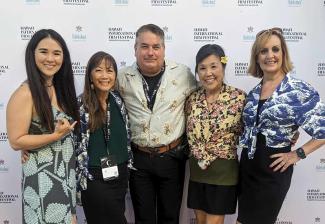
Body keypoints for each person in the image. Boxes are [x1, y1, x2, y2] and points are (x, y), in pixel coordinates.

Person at [237, 27, 325, 224]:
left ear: (283, 53)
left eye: (275, 49)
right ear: (257, 57)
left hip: (273, 171)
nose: (270, 55)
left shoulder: (298, 90)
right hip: (248, 168)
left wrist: (298, 154)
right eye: (264, 51)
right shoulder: (253, 93)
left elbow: (323, 130)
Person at [116, 24, 196, 224]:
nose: (150, 52)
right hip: (138, 160)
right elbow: (99, 104)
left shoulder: (183, 74)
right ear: (135, 49)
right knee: (144, 218)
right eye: (144, 46)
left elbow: (204, 101)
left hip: (172, 158)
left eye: (156, 46)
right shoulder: (121, 77)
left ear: (164, 49)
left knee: (170, 216)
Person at [6, 29, 79, 224]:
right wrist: (54, 137)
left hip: (65, 177)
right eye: (43, 51)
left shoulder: (60, 88)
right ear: (32, 54)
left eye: (56, 53)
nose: (50, 59)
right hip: (42, 180)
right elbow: (16, 140)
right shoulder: (25, 93)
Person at [185, 44, 246, 224]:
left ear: (223, 66)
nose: (208, 73)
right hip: (197, 170)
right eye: (202, 68)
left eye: (213, 66)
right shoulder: (192, 98)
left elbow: (253, 129)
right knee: (201, 221)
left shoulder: (239, 97)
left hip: (223, 171)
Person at [75, 51, 133, 224]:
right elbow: (62, 135)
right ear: (90, 76)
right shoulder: (80, 105)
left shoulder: (118, 100)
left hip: (119, 172)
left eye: (110, 70)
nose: (105, 76)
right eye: (99, 70)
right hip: (93, 176)